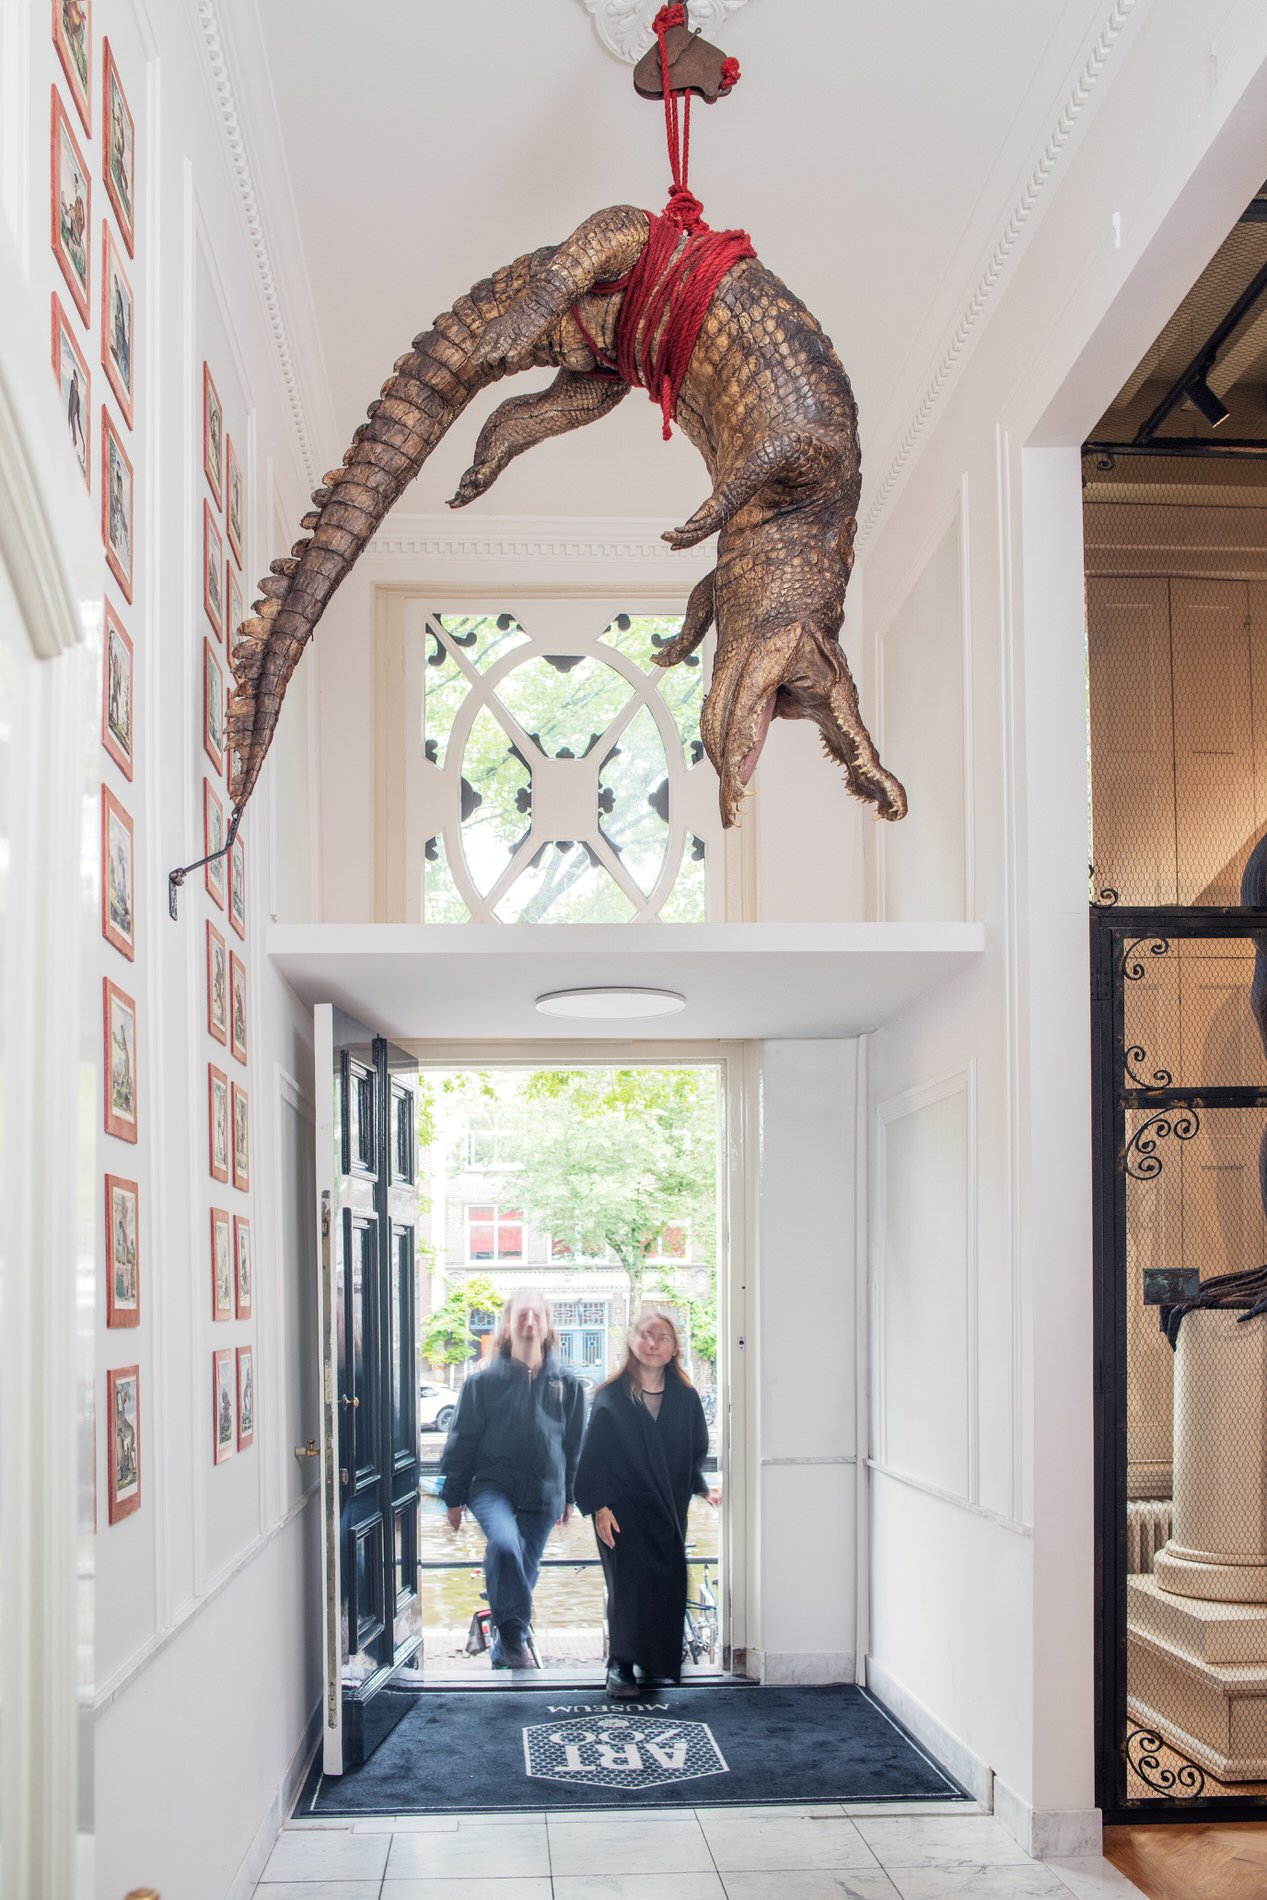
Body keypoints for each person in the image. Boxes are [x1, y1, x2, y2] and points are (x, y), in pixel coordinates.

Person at [575, 1305, 718, 1699]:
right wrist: (600, 1507)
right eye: (646, 1335)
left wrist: (703, 1488)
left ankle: (653, 1658)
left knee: (666, 1580)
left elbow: (694, 1453)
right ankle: (619, 1665)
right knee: (627, 1584)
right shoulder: (609, 1396)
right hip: (619, 1508)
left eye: (663, 1338)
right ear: (632, 1340)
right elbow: (594, 1457)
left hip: (667, 1506)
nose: (653, 1343)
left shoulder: (686, 1398)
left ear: (675, 1349)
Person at [440, 1288, 585, 1670]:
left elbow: (574, 1445)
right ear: (507, 1324)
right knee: (504, 1547)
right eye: (522, 1315)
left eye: (537, 1315)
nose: (530, 1321)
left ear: (548, 1324)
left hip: (545, 1493)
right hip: (492, 1488)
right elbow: (462, 1441)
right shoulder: (481, 1384)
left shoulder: (568, 1385)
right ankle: (511, 1638)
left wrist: (570, 1495)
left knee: (524, 1568)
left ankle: (505, 1651)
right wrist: (452, 1497)